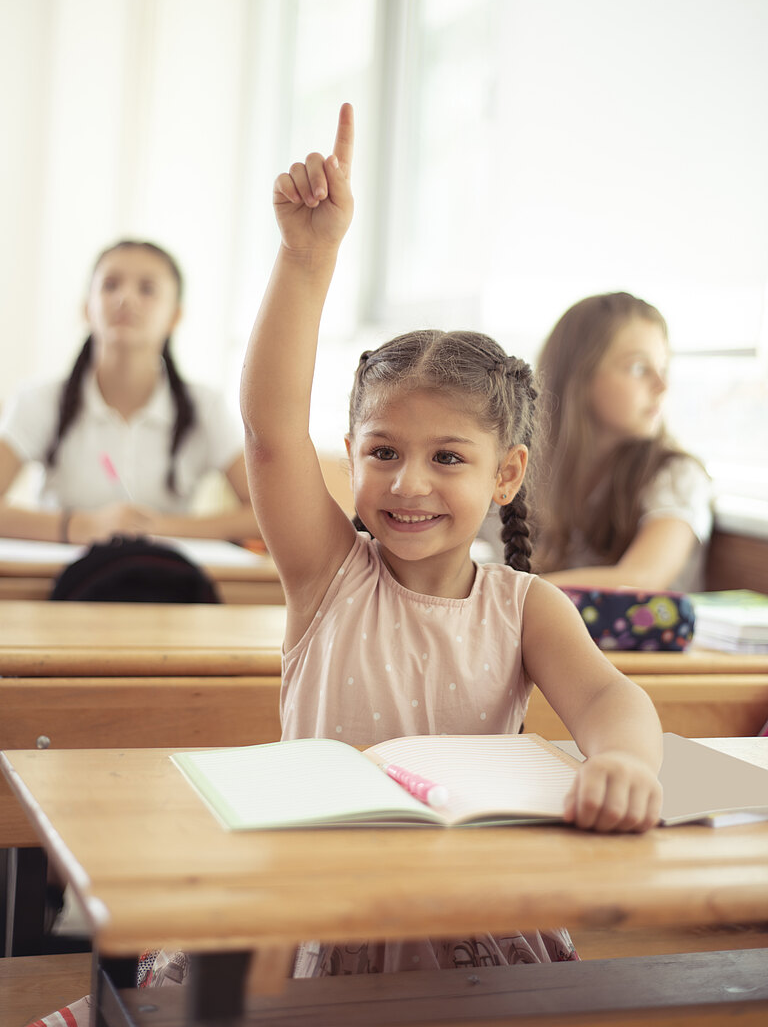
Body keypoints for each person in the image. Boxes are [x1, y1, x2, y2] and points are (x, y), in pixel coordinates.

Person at [238, 103, 663, 976]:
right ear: (352, 455)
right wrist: (306, 258)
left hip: (468, 922)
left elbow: (612, 702)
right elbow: (272, 429)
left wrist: (623, 763)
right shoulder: (327, 575)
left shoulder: (526, 608)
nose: (408, 483)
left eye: (447, 458)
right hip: (320, 917)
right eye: (383, 452)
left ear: (504, 476)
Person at [0, 239, 259, 545]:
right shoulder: (40, 400)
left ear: (175, 316)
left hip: (163, 581)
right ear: (87, 308)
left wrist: (159, 528)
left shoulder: (205, 407)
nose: (125, 298)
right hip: (60, 585)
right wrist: (80, 527)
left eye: (147, 289)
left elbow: (262, 517)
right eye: (110, 285)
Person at [530, 292, 712, 592]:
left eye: (663, 368)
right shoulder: (531, 473)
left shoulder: (676, 475)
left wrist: (508, 592)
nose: (662, 386)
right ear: (580, 377)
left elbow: (642, 579)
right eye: (639, 368)